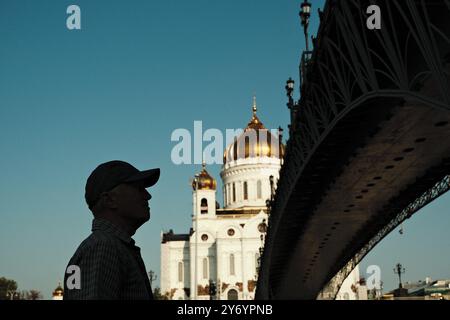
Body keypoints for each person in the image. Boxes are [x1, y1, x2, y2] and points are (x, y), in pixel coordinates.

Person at [63, 160, 160, 300]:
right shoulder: (104, 246)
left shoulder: (108, 246)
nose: (147, 195)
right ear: (109, 200)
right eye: (138, 188)